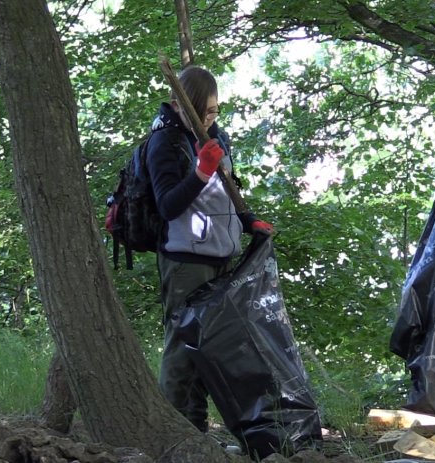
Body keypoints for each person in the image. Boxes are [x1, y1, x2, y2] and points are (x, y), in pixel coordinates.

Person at [146, 65, 273, 433]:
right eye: (201, 111)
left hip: (222, 257)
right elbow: (168, 205)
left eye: (213, 111)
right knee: (182, 350)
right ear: (178, 104)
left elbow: (227, 191)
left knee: (208, 349)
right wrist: (200, 171)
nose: (207, 119)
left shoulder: (217, 138)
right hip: (186, 262)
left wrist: (249, 222)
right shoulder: (164, 142)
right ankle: (171, 432)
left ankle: (196, 432)